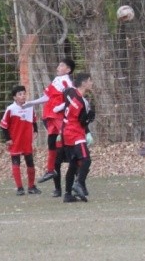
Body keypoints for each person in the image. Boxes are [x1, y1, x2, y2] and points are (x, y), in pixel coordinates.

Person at [24, 58, 75, 184]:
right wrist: (31, 103)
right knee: (51, 142)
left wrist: (61, 106)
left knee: (67, 142)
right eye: (58, 65)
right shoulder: (57, 80)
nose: (58, 67)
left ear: (68, 70)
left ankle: (78, 166)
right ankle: (50, 169)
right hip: (50, 116)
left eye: (61, 65)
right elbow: (47, 97)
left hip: (59, 116)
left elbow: (73, 98)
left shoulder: (67, 82)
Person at [0, 85, 41, 196]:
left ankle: (31, 186)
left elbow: (34, 120)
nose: (23, 96)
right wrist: (8, 138)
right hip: (15, 140)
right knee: (16, 162)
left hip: (26, 140)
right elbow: (3, 126)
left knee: (30, 162)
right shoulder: (10, 109)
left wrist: (35, 130)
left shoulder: (30, 107)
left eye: (24, 93)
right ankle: (19, 188)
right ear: (15, 97)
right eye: (20, 94)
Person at [60, 72, 95, 203]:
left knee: (73, 164)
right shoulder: (82, 102)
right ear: (84, 83)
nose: (91, 83)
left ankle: (68, 194)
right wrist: (88, 119)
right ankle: (79, 183)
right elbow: (82, 122)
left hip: (65, 132)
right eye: (90, 81)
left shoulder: (69, 91)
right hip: (75, 133)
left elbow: (64, 94)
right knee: (86, 160)